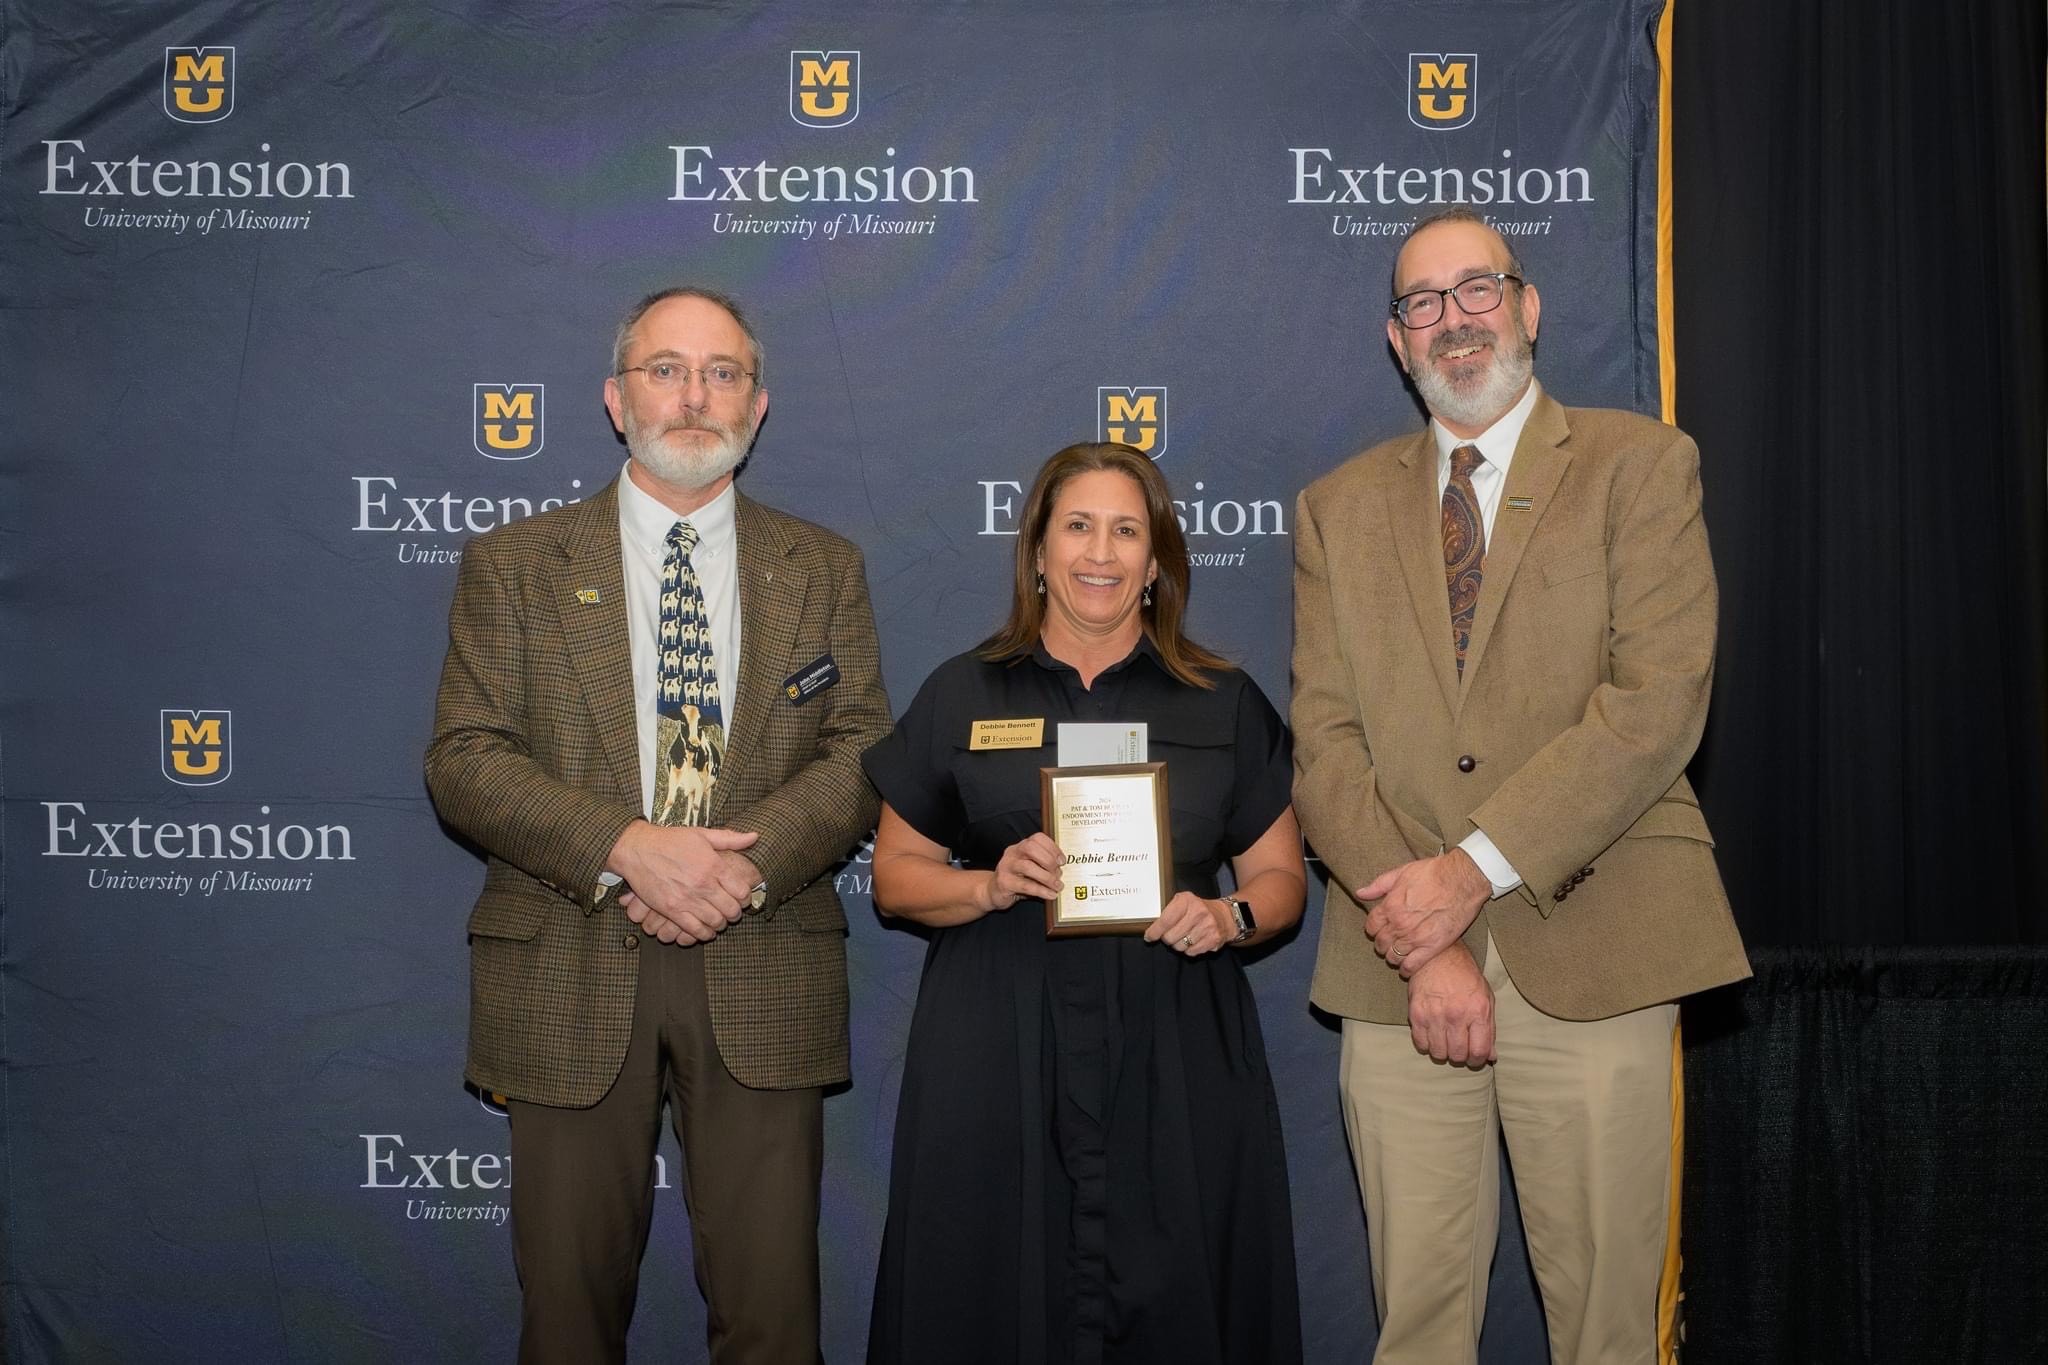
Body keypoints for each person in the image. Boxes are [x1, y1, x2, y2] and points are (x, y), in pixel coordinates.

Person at [1290, 206, 1751, 1364]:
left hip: (1596, 941)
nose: (1452, 321)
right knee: (1418, 1326)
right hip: (1397, 958)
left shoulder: (1640, 465)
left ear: (1527, 305)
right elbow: (1325, 744)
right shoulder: (1333, 510)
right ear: (1395, 342)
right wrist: (1430, 932)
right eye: (1421, 303)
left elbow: (1654, 706)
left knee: (1604, 1325)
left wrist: (1472, 873)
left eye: (1476, 289)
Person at [424, 286, 891, 1363]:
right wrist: (626, 848)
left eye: (722, 372)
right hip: (565, 959)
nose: (694, 395)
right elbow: (464, 759)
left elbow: (862, 749)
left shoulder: (824, 567)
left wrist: (742, 867)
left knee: (774, 1326)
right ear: (613, 396)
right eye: (666, 369)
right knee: (569, 1325)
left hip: (762, 957)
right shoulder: (513, 566)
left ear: (758, 405)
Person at [862, 442, 1308, 1364]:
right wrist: (986, 883)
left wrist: (1227, 917)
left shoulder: (1223, 701)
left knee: (1183, 1301)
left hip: (1175, 1047)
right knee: (989, 1298)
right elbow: (895, 875)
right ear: (1036, 550)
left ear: (1156, 562)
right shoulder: (962, 690)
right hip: (998, 1045)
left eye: (1125, 530)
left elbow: (1283, 882)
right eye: (1077, 526)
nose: (1098, 552)